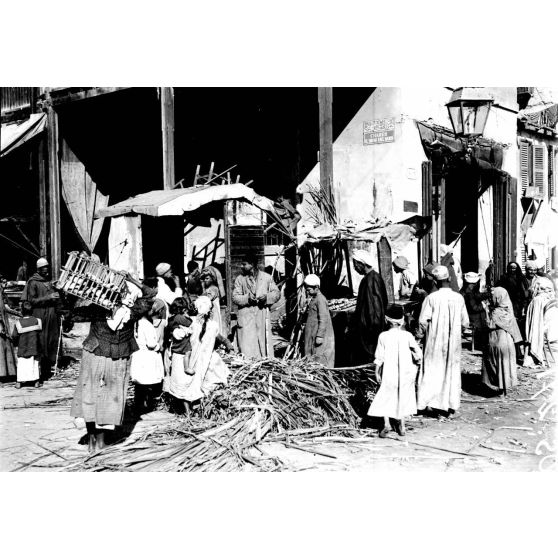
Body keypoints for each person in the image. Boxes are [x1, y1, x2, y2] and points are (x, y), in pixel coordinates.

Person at [70, 281, 143, 452]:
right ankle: (99, 442)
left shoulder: (100, 308)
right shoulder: (131, 311)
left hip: (100, 353)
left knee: (92, 396)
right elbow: (148, 296)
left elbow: (76, 311)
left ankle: (93, 441)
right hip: (109, 356)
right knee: (107, 398)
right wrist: (133, 279)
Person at [416, 265, 469, 416]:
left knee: (433, 370)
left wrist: (419, 336)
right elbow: (465, 322)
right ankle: (450, 405)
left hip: (434, 342)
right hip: (452, 343)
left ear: (435, 281)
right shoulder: (458, 298)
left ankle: (431, 403)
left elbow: (422, 321)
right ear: (450, 278)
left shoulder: (431, 298)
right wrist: (459, 332)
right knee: (450, 371)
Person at [168, 296, 233, 411]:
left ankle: (192, 408)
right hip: (201, 359)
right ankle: (197, 408)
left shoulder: (191, 323)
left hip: (192, 358)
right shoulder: (203, 325)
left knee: (190, 383)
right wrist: (227, 343)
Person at [367, 305, 422, 438]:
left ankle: (387, 424)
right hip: (406, 372)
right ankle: (402, 426)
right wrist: (417, 362)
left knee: (386, 394)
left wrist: (377, 371)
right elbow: (418, 353)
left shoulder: (383, 336)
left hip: (389, 371)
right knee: (403, 395)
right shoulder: (407, 336)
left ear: (387, 320)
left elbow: (379, 356)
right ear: (402, 320)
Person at [20, 258, 62, 379]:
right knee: (41, 340)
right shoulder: (33, 282)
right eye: (44, 268)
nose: (47, 269)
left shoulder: (47, 281)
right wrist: (49, 297)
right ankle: (40, 370)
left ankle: (49, 366)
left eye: (47, 267)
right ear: (39, 269)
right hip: (40, 314)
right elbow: (31, 301)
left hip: (51, 314)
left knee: (51, 339)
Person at [232, 256, 280, 358]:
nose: (242, 266)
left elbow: (276, 294)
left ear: (252, 264)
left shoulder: (266, 278)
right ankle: (248, 365)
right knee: (246, 344)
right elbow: (235, 297)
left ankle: (263, 365)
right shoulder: (240, 279)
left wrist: (266, 298)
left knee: (263, 343)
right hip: (246, 316)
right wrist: (247, 299)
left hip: (261, 314)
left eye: (244, 264)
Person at [481, 287, 522, 394]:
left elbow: (489, 325)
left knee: (495, 363)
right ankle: (505, 387)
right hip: (507, 342)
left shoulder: (496, 312)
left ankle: (499, 387)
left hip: (497, 340)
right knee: (506, 364)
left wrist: (486, 311)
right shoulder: (508, 309)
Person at [350, 249, 388, 365]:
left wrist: (372, 329)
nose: (355, 268)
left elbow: (375, 307)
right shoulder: (371, 278)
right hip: (369, 329)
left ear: (362, 264)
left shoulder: (371, 280)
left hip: (370, 331)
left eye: (356, 265)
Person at [130, 299, 164, 414]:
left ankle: (138, 404)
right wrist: (159, 346)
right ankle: (146, 405)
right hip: (147, 357)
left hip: (138, 355)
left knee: (139, 384)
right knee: (147, 383)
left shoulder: (136, 323)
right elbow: (151, 344)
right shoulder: (147, 325)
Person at [302, 274, 335, 367]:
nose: (307, 292)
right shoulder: (314, 298)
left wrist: (320, 335)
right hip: (313, 332)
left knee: (320, 358)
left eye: (309, 290)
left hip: (319, 334)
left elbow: (323, 318)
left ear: (316, 287)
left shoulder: (320, 299)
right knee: (313, 356)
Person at [523, 277, 556, 368]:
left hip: (542, 328)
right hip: (549, 328)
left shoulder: (538, 300)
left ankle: (531, 356)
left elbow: (535, 320)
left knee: (529, 329)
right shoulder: (549, 298)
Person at [12, 301, 42, 389]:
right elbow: (40, 334)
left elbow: (14, 335)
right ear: (32, 311)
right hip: (34, 347)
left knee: (22, 364)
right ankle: (36, 381)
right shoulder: (37, 321)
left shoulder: (18, 323)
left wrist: (15, 343)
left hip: (23, 347)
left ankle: (19, 382)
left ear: (22, 311)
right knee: (35, 364)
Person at [460, 272, 488, 350]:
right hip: (471, 316)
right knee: (484, 319)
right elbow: (474, 308)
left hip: (469, 314)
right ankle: (481, 343)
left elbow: (478, 296)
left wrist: (487, 294)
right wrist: (483, 306)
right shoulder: (469, 293)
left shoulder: (467, 290)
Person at [0, 277, 18, 380]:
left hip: (4, 320)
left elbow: (5, 306)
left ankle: (7, 372)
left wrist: (15, 312)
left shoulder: (1, 291)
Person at [200, 266, 224, 335]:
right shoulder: (208, 289)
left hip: (213, 311)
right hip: (209, 312)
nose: (205, 280)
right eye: (204, 279)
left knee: (213, 328)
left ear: (212, 279)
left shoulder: (214, 288)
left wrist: (203, 287)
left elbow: (206, 299)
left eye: (207, 278)